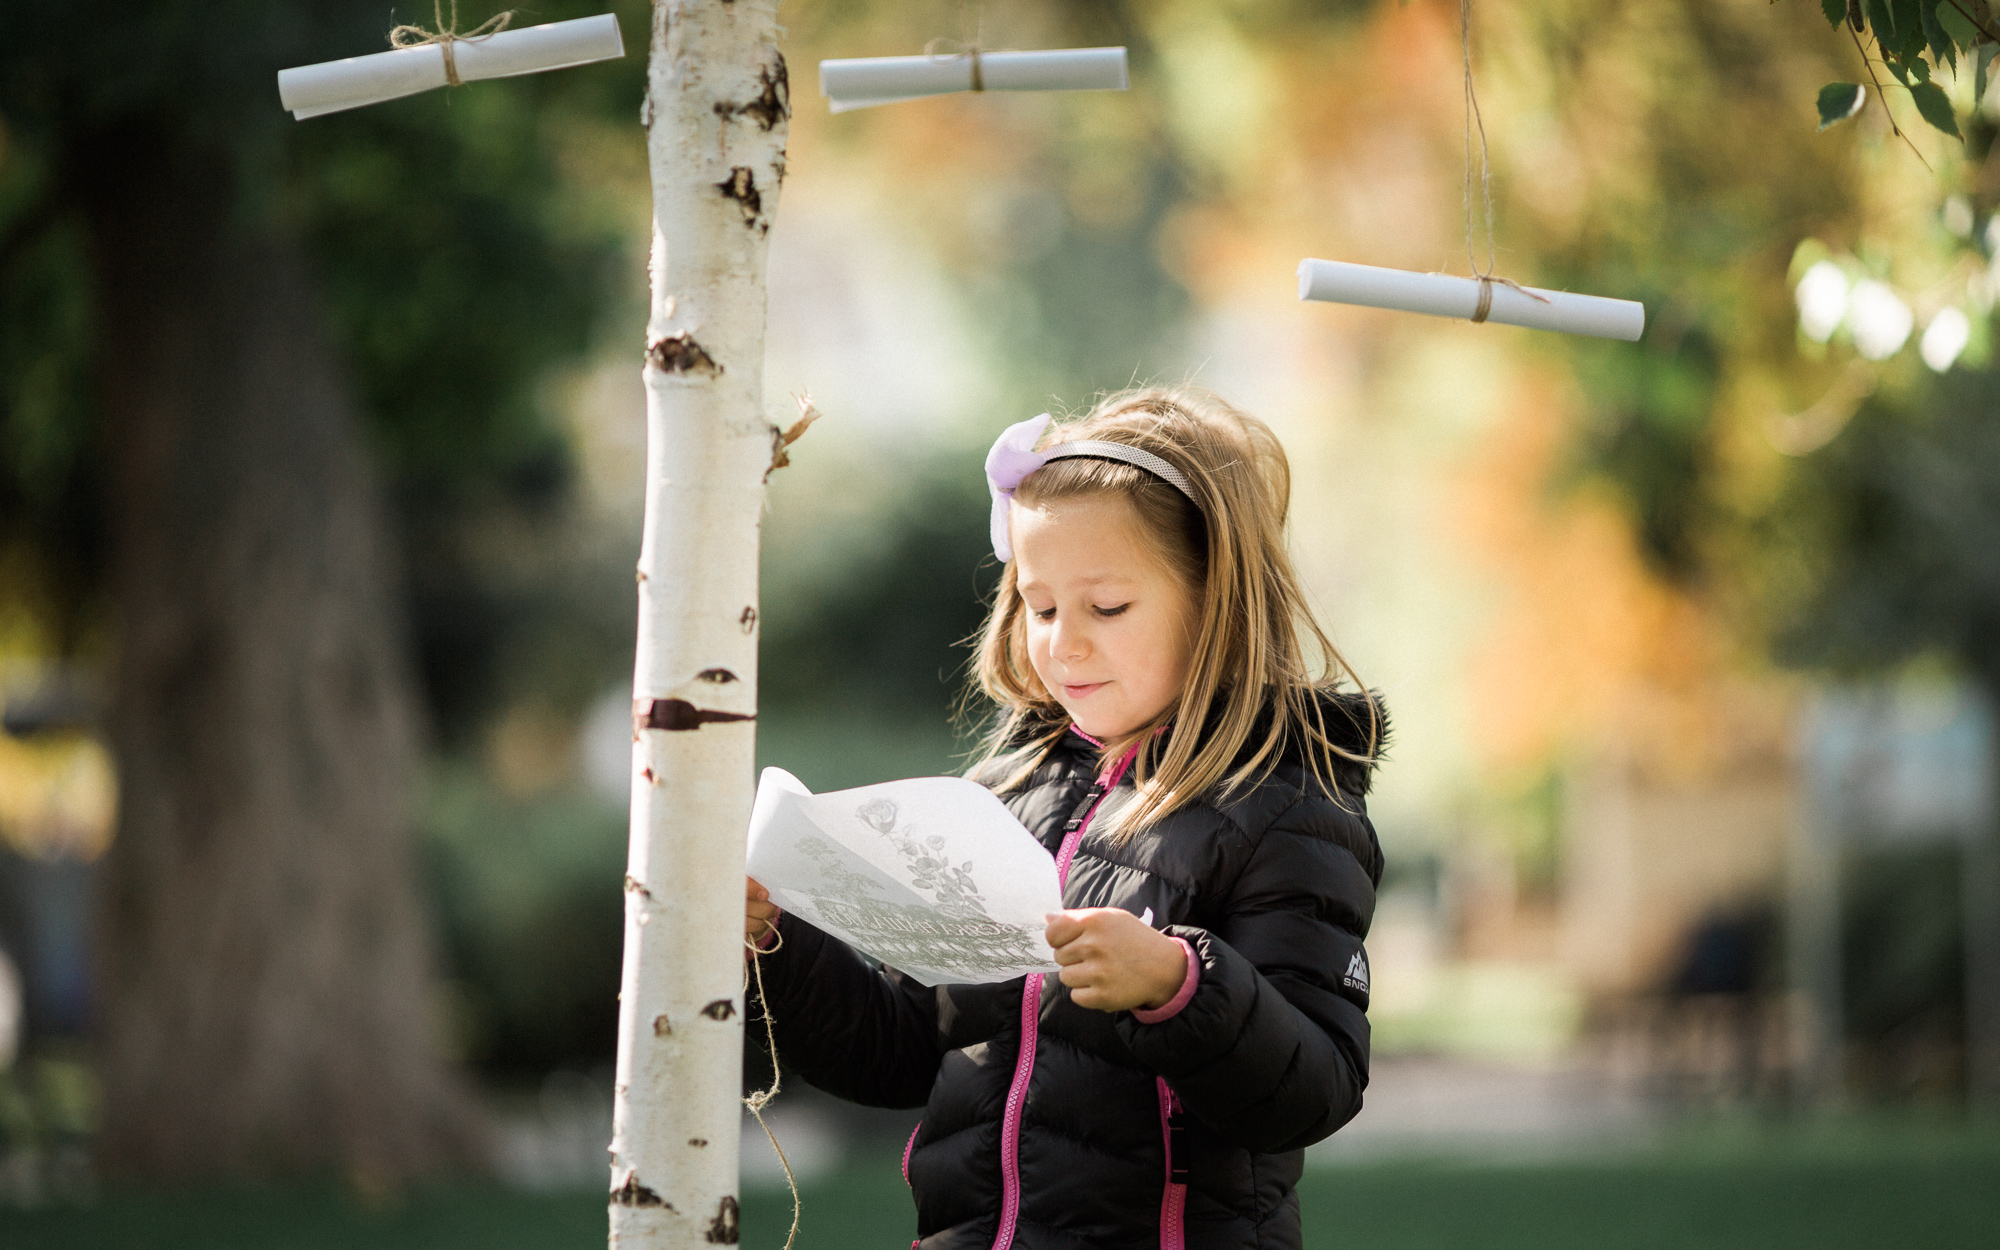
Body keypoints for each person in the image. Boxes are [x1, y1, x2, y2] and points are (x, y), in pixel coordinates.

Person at [744, 386, 1385, 1250]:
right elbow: (903, 1048)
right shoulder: (1003, 797)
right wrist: (778, 941)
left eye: (1106, 607)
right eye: (1040, 607)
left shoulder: (1286, 808)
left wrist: (1177, 985)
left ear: (1216, 600)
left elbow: (1315, 1090)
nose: (1063, 642)